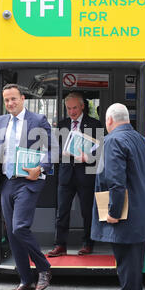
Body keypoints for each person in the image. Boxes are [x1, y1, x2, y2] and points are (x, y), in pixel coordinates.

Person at [0, 83, 58, 290]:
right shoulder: (0, 121)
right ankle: (26, 280)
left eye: (13, 99)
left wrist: (41, 168)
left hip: (28, 181)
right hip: (7, 182)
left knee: (19, 227)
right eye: (6, 100)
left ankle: (44, 268)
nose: (10, 103)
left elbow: (53, 148)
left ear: (22, 99)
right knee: (12, 233)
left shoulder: (38, 120)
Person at [91, 103, 145, 290]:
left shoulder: (112, 140)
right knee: (134, 260)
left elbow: (116, 182)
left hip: (126, 212)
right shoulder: (142, 140)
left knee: (125, 259)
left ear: (109, 120)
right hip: (141, 209)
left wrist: (113, 212)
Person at [48, 92, 102, 257]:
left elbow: (100, 153)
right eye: (69, 108)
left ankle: (87, 243)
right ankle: (60, 245)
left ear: (82, 106)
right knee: (62, 211)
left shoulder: (95, 124)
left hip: (86, 174)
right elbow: (55, 149)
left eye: (75, 108)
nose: (72, 112)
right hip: (66, 175)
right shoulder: (62, 124)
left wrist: (88, 157)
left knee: (87, 212)